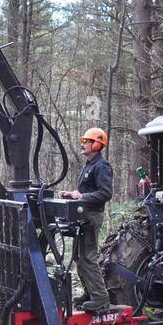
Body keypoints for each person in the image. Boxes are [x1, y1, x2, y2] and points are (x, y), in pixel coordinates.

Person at [59, 128, 114, 313]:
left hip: (92, 217)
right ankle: (90, 293)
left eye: (87, 142)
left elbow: (106, 193)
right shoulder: (89, 165)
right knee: (78, 257)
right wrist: (73, 195)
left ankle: (101, 299)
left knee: (88, 258)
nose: (83, 145)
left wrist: (81, 196)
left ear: (97, 144)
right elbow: (86, 192)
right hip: (83, 216)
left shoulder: (102, 166)